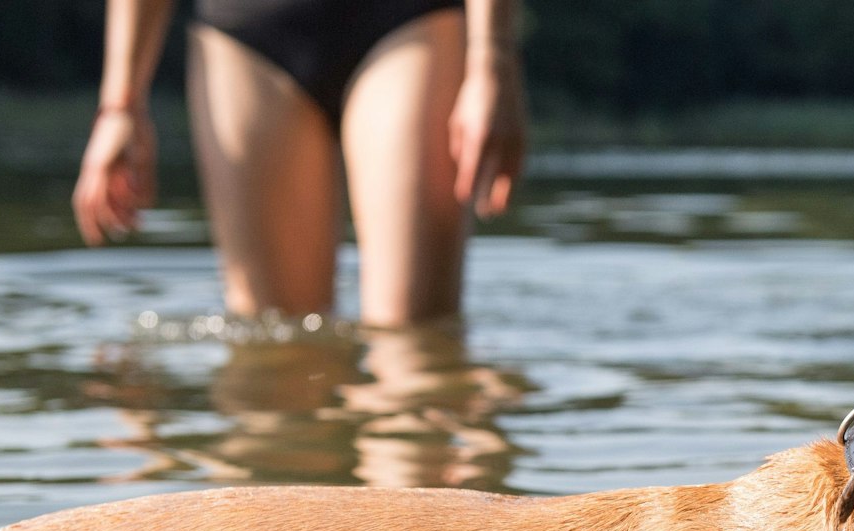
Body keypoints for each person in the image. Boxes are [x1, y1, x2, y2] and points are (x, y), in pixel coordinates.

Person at [72, 0, 526, 326]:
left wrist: (492, 57)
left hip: (406, 22)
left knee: (413, 344)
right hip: (246, 33)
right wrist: (121, 102)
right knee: (274, 344)